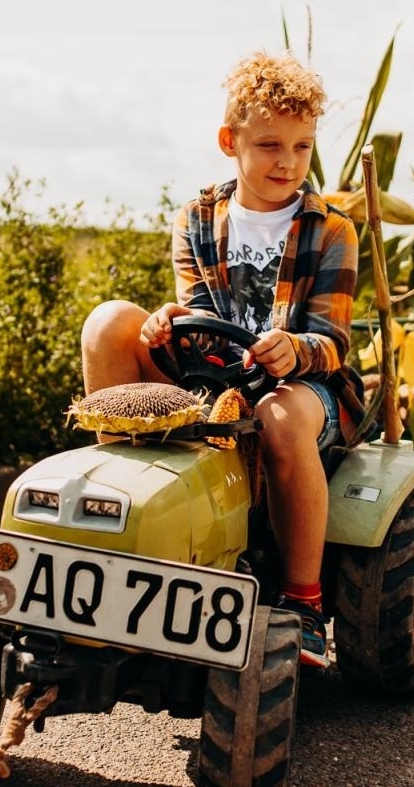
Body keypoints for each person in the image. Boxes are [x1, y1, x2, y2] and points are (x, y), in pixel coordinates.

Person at [80, 51, 365, 669]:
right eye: (268, 145)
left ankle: (304, 601)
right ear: (229, 141)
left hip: (303, 389)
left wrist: (294, 349)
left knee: (280, 417)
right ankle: (117, 516)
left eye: (302, 146)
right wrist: (167, 324)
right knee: (111, 322)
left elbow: (331, 343)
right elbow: (198, 316)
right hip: (216, 376)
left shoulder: (332, 231)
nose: (287, 162)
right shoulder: (199, 217)